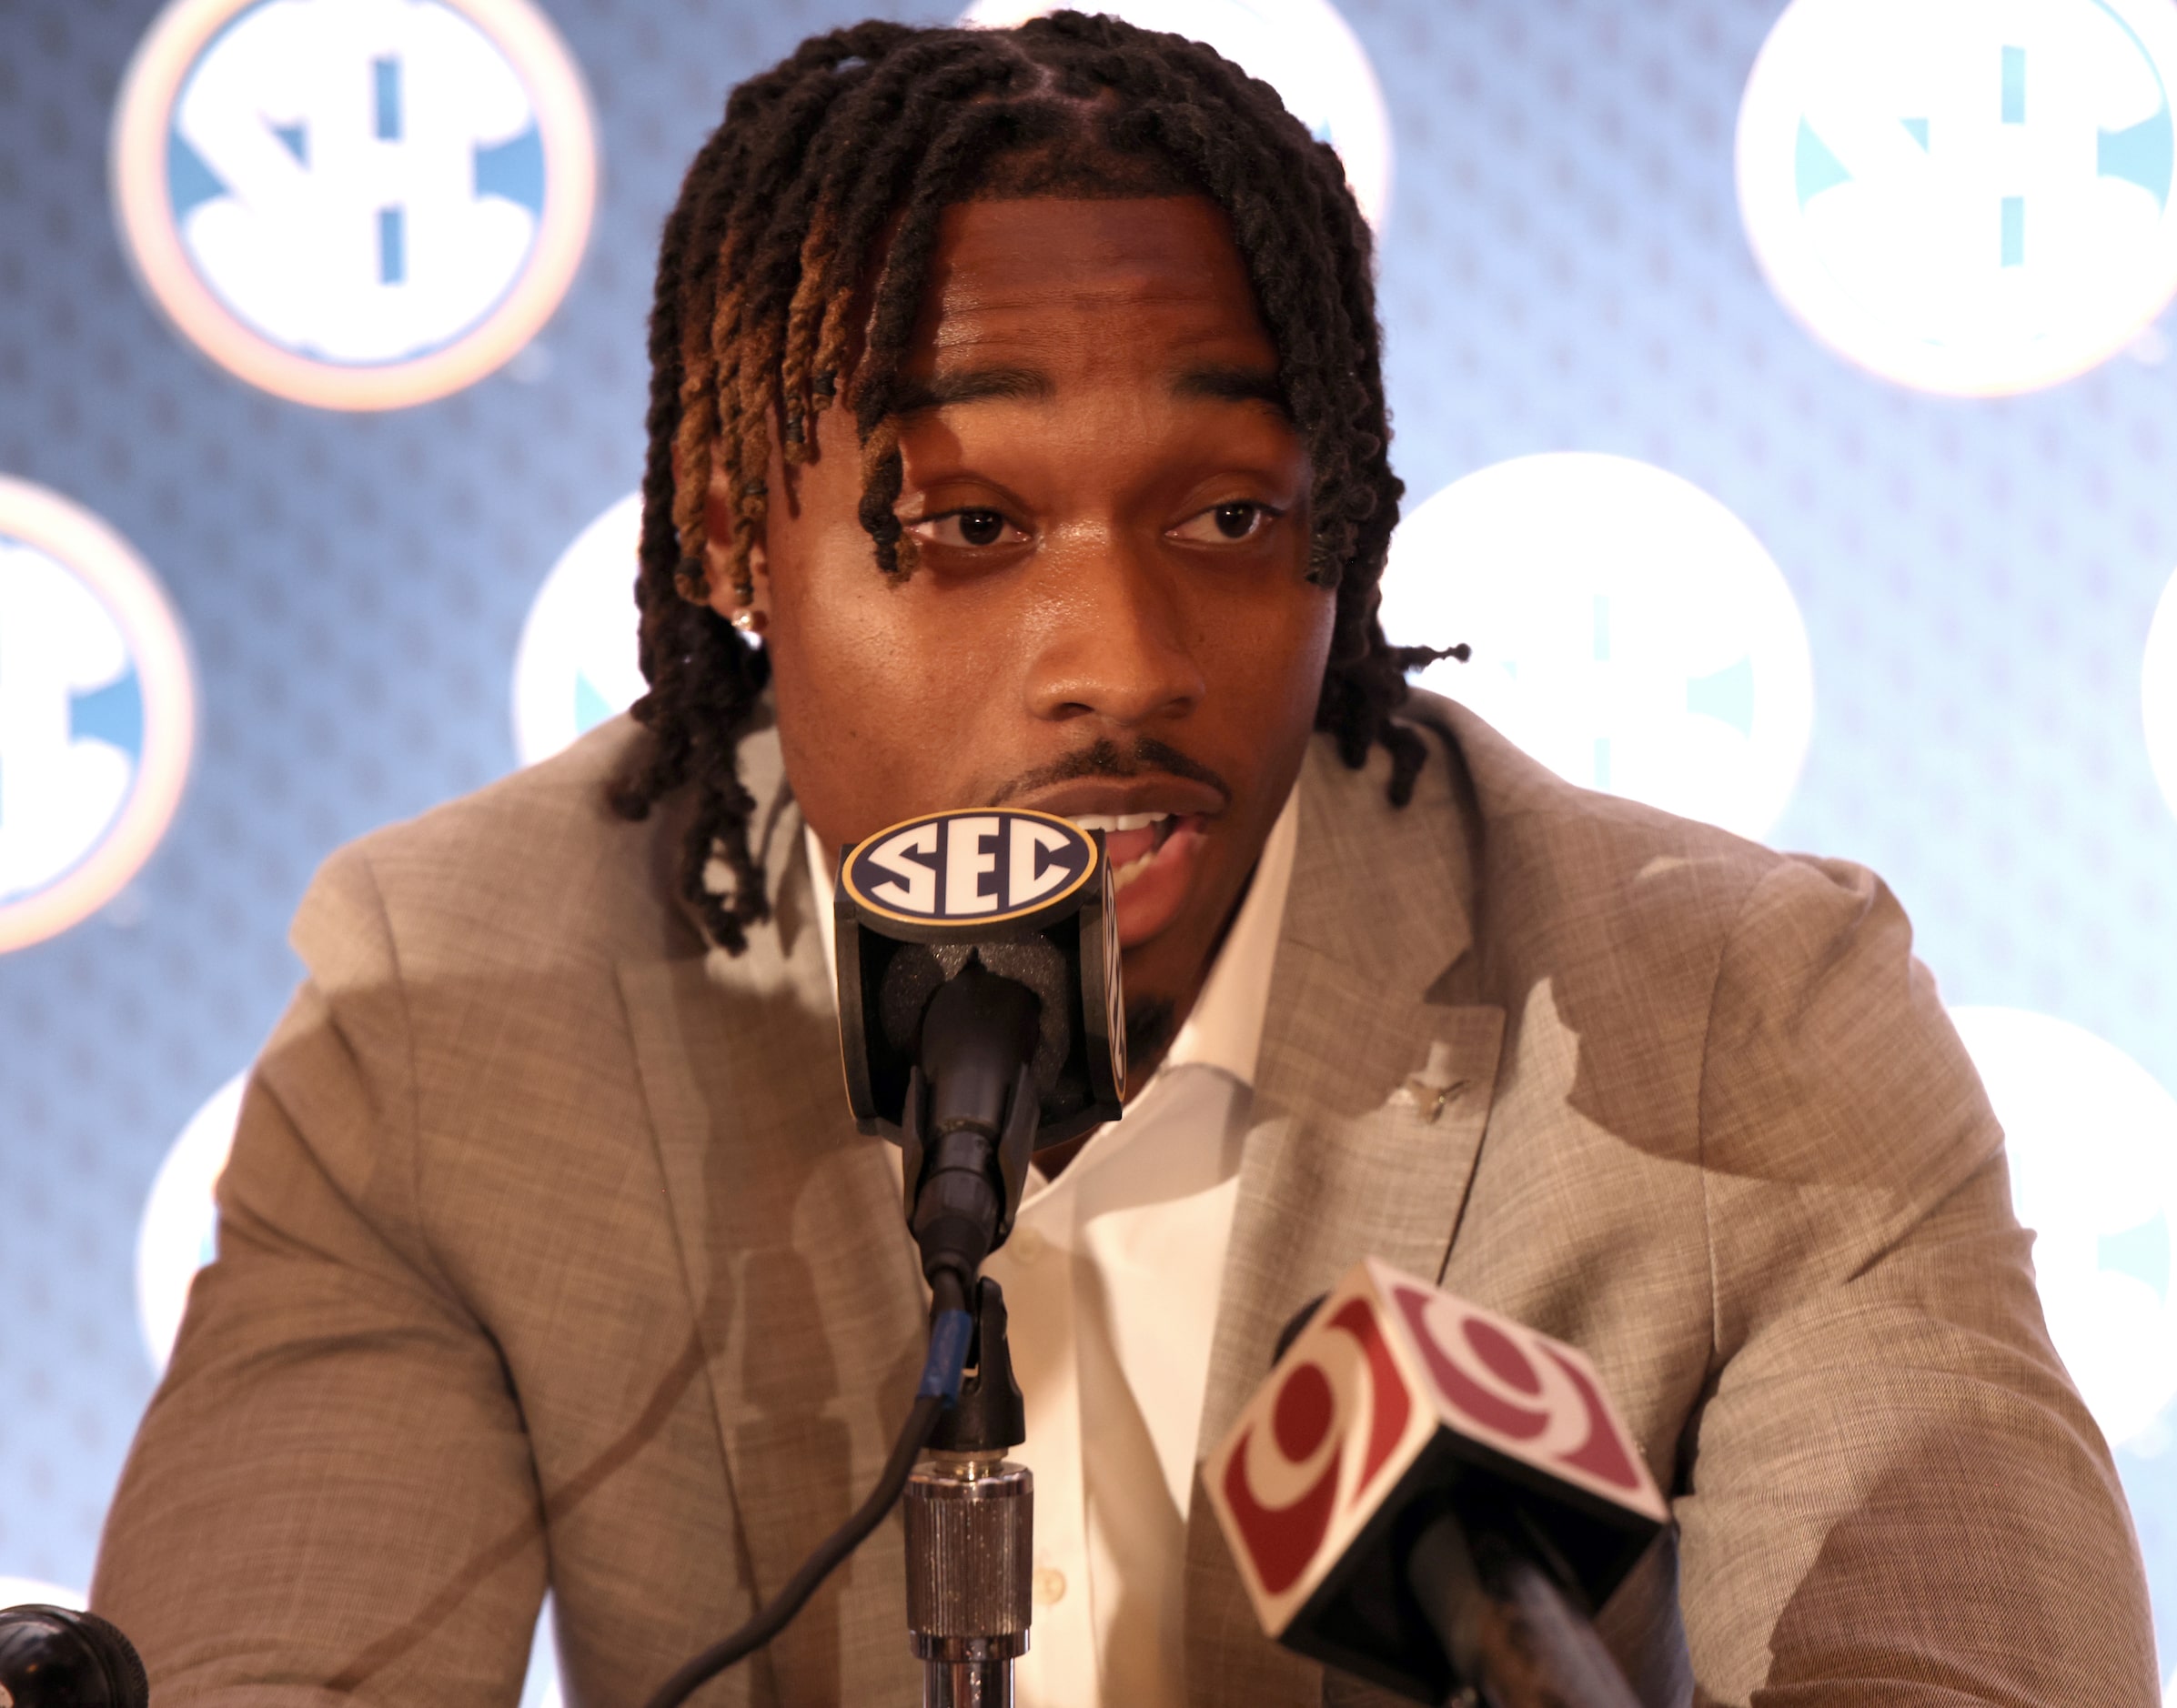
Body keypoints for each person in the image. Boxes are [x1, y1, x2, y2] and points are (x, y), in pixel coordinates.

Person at [91, 13, 2156, 1706]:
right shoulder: (456, 1017)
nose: (1126, 666)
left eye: (1232, 520)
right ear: (733, 538)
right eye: (969, 528)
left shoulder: (1731, 1023)